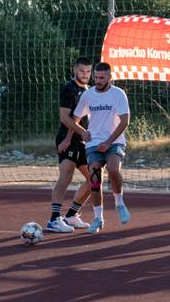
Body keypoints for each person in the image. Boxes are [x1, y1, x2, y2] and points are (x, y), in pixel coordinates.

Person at [71, 62, 131, 234]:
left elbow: (125, 121)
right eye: (95, 77)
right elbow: (74, 119)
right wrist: (82, 132)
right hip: (93, 144)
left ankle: (119, 203)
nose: (97, 80)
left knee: (113, 168)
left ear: (110, 78)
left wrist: (109, 142)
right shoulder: (88, 95)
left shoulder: (118, 94)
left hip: (114, 142)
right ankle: (98, 218)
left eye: (101, 78)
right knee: (95, 180)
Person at [46, 56, 94, 233]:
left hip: (82, 140)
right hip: (68, 138)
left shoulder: (89, 90)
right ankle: (54, 219)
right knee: (66, 176)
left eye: (88, 71)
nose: (85, 74)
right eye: (82, 70)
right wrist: (69, 138)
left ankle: (72, 215)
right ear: (74, 69)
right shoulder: (69, 88)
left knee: (94, 180)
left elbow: (82, 117)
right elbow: (65, 117)